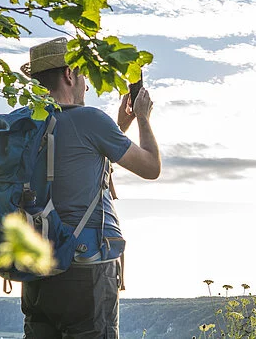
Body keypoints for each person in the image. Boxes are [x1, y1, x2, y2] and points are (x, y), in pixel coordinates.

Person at [18, 37, 161, 338]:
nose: (86, 85)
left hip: (35, 267)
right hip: (86, 268)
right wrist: (144, 120)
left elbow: (78, 164)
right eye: (83, 76)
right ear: (69, 74)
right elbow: (150, 167)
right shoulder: (91, 120)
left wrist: (119, 127)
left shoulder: (25, 125)